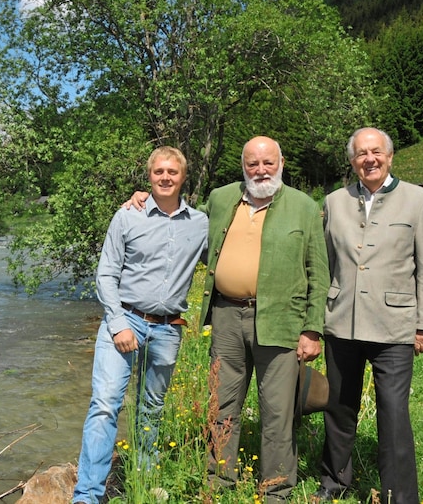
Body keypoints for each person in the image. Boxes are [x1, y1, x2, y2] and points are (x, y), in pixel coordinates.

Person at [126, 136, 329, 502]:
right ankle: (217, 481)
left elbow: (319, 271)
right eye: (253, 163)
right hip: (225, 315)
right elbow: (181, 223)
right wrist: (145, 198)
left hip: (282, 320)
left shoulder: (302, 206)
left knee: (277, 410)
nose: (261, 170)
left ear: (281, 162)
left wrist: (312, 329)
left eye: (268, 162)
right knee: (222, 404)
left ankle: (276, 491)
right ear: (243, 165)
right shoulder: (222, 198)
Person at [73, 146, 208, 504]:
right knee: (105, 405)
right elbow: (106, 272)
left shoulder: (200, 223)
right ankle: (87, 495)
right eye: (158, 172)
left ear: (183, 177)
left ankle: (143, 482)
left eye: (172, 172)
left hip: (168, 330)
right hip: (124, 320)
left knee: (152, 408)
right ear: (149, 176)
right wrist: (118, 323)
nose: (165, 177)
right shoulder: (127, 216)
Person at [315, 127, 423, 503]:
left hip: (394, 326)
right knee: (339, 408)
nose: (369, 159)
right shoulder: (335, 201)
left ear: (390, 156)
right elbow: (326, 263)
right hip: (342, 321)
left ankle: (398, 495)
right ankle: (334, 483)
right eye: (360, 153)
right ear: (352, 161)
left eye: (376, 152)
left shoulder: (418, 200)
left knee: (393, 414)